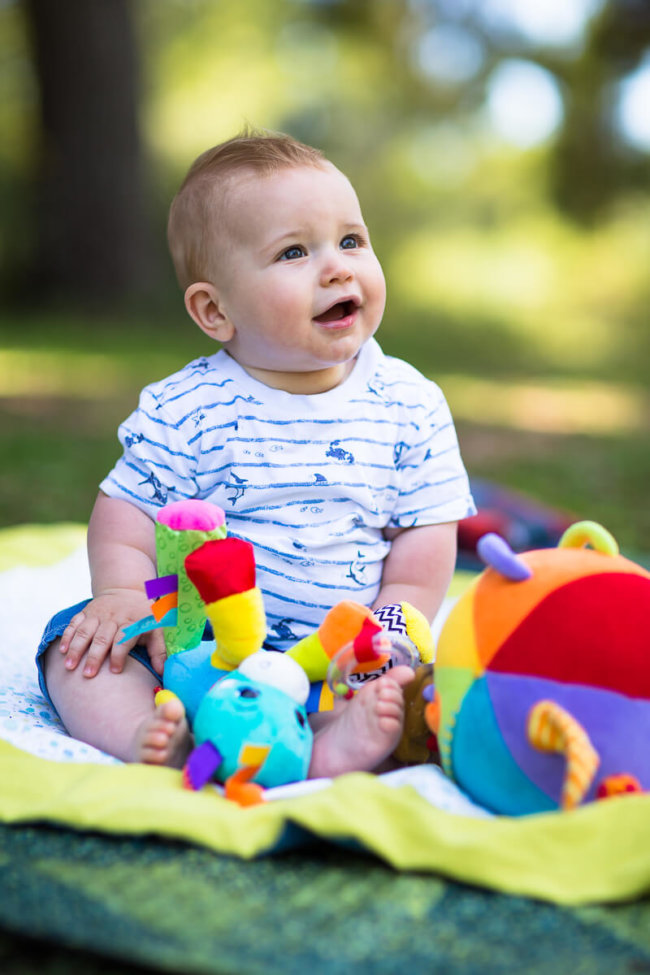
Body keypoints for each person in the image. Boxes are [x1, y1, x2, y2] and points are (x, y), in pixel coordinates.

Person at [37, 130, 475, 778]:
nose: (337, 267)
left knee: (410, 693)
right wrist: (125, 597)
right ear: (215, 310)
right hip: (191, 649)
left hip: (333, 652)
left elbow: (424, 538)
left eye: (351, 240)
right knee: (73, 646)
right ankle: (149, 732)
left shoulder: (409, 403)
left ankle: (328, 738)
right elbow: (127, 515)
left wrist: (392, 630)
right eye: (295, 251)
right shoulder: (187, 406)